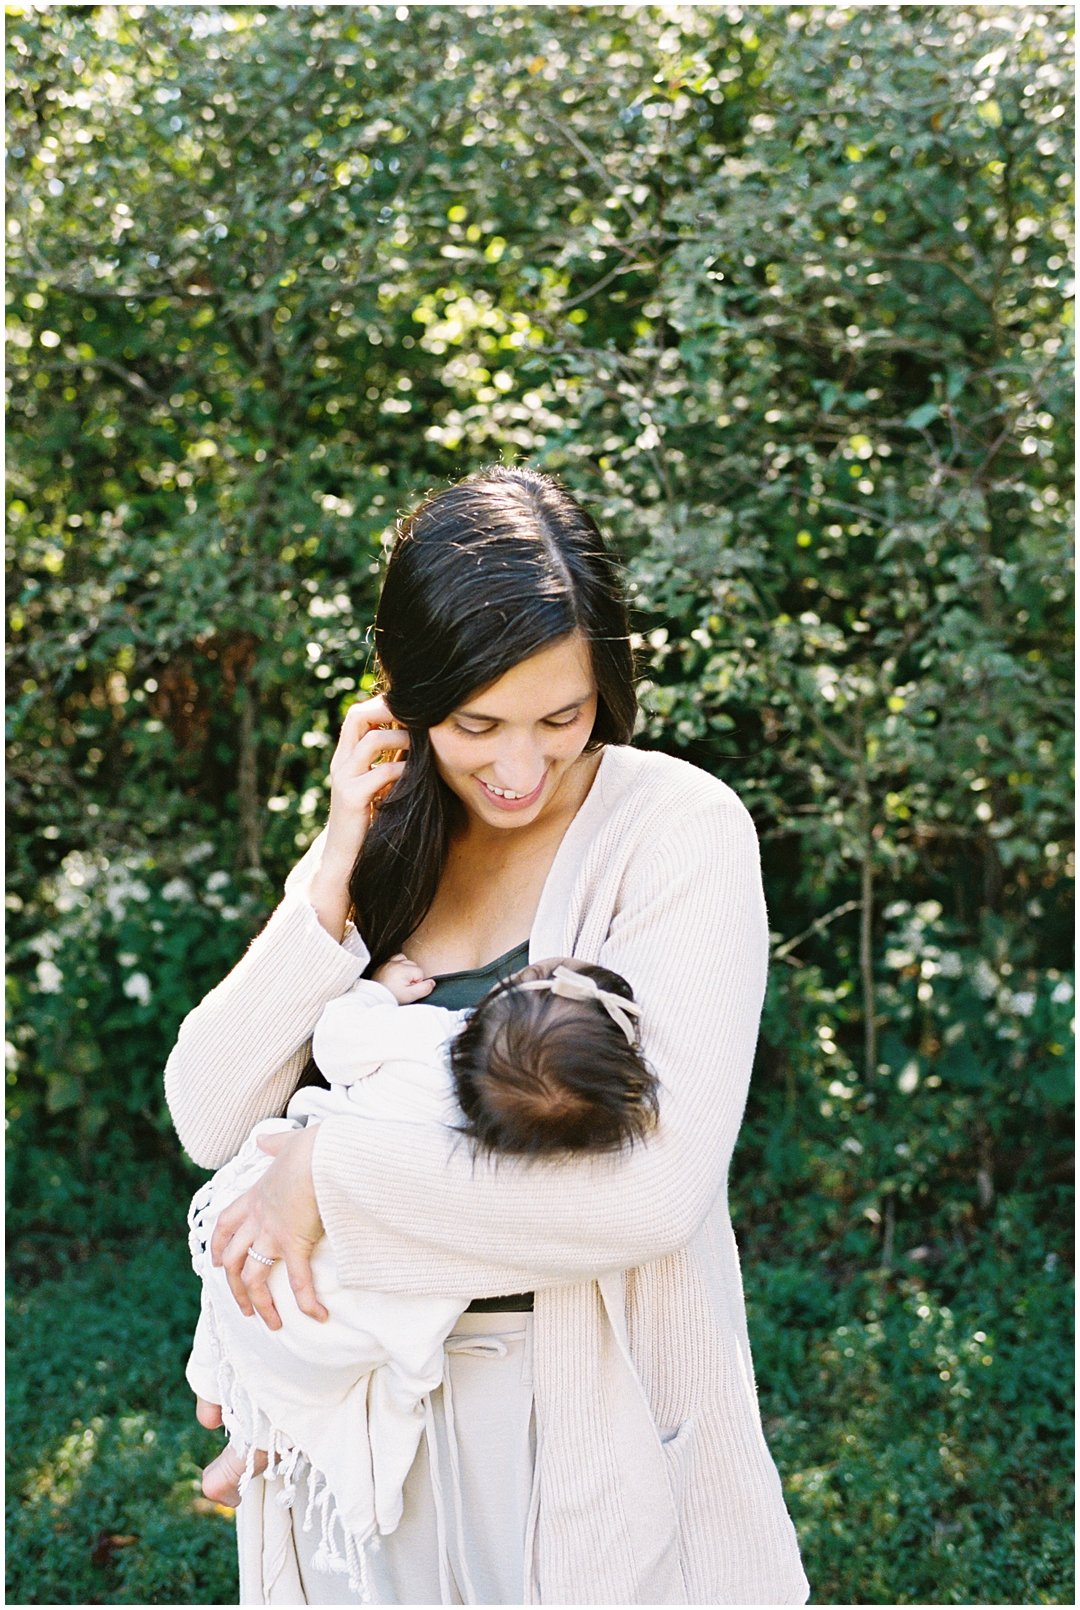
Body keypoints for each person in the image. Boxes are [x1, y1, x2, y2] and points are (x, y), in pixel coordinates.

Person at [164, 465, 809, 1606]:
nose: (519, 769)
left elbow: (648, 1196)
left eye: (561, 718)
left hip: (579, 1423)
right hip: (356, 1435)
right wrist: (331, 864)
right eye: (477, 725)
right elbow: (208, 1108)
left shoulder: (677, 832)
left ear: (605, 687)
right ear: (406, 698)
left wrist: (332, 1172)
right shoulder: (388, 844)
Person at [185, 952, 657, 1602]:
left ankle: (214, 1395)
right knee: (366, 1358)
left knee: (231, 1284)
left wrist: (377, 993)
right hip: (358, 1285)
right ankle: (253, 1447)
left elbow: (338, 1039)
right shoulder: (502, 1140)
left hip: (279, 1221)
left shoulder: (432, 1034)